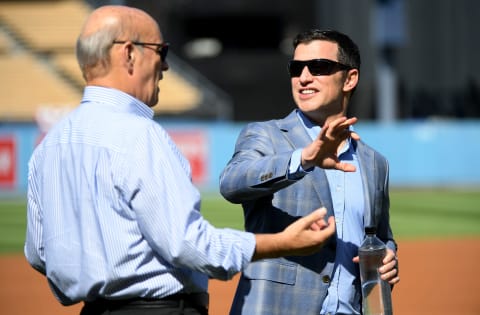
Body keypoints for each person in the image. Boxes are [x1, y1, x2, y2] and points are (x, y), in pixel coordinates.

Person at [22, 7, 360, 315]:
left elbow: (39, 254)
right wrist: (282, 243)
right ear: (128, 54)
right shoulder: (140, 135)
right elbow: (190, 245)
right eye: (161, 51)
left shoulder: (48, 146)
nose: (166, 65)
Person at [219, 29, 400, 315]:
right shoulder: (266, 135)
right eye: (296, 68)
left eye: (318, 67)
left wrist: (388, 255)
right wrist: (303, 159)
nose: (303, 78)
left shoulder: (375, 162)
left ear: (350, 79)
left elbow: (381, 235)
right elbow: (231, 183)